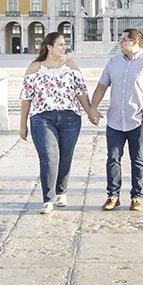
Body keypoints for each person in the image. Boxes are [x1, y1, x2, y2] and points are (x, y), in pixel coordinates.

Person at [19, 32, 99, 214]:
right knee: (48, 158)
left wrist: (90, 113)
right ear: (49, 47)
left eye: (65, 45)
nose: (64, 48)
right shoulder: (34, 67)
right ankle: (48, 199)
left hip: (70, 117)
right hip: (42, 118)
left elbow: (81, 92)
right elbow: (26, 98)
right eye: (61, 45)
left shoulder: (70, 65)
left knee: (65, 156)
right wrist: (22, 125)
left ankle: (61, 191)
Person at [91, 28, 143, 211]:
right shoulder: (113, 61)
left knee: (137, 159)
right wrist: (93, 108)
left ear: (134, 42)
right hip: (114, 120)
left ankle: (137, 197)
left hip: (137, 120)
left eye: (123, 39)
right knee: (113, 158)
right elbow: (101, 87)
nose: (119, 42)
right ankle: (113, 196)